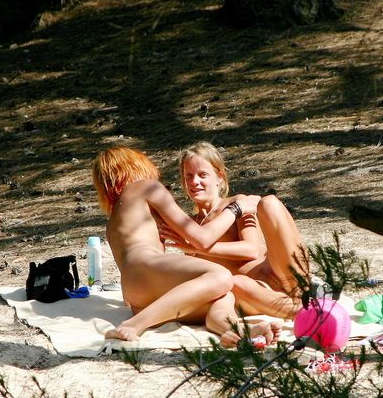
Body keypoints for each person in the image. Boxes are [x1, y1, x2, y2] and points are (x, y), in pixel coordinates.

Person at [91, 146, 279, 346]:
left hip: (136, 295)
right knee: (221, 277)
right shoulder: (147, 187)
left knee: (221, 298)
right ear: (137, 166)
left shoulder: (113, 220)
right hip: (147, 268)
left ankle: (238, 331)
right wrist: (237, 208)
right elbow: (202, 239)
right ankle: (132, 326)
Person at [160, 141, 309, 321]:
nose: (194, 182)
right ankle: (302, 312)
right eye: (188, 176)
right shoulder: (190, 226)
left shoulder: (237, 203)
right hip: (254, 290)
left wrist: (198, 248)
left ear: (219, 177)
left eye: (202, 175)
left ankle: (302, 292)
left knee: (269, 202)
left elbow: (252, 250)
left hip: (281, 272)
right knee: (231, 283)